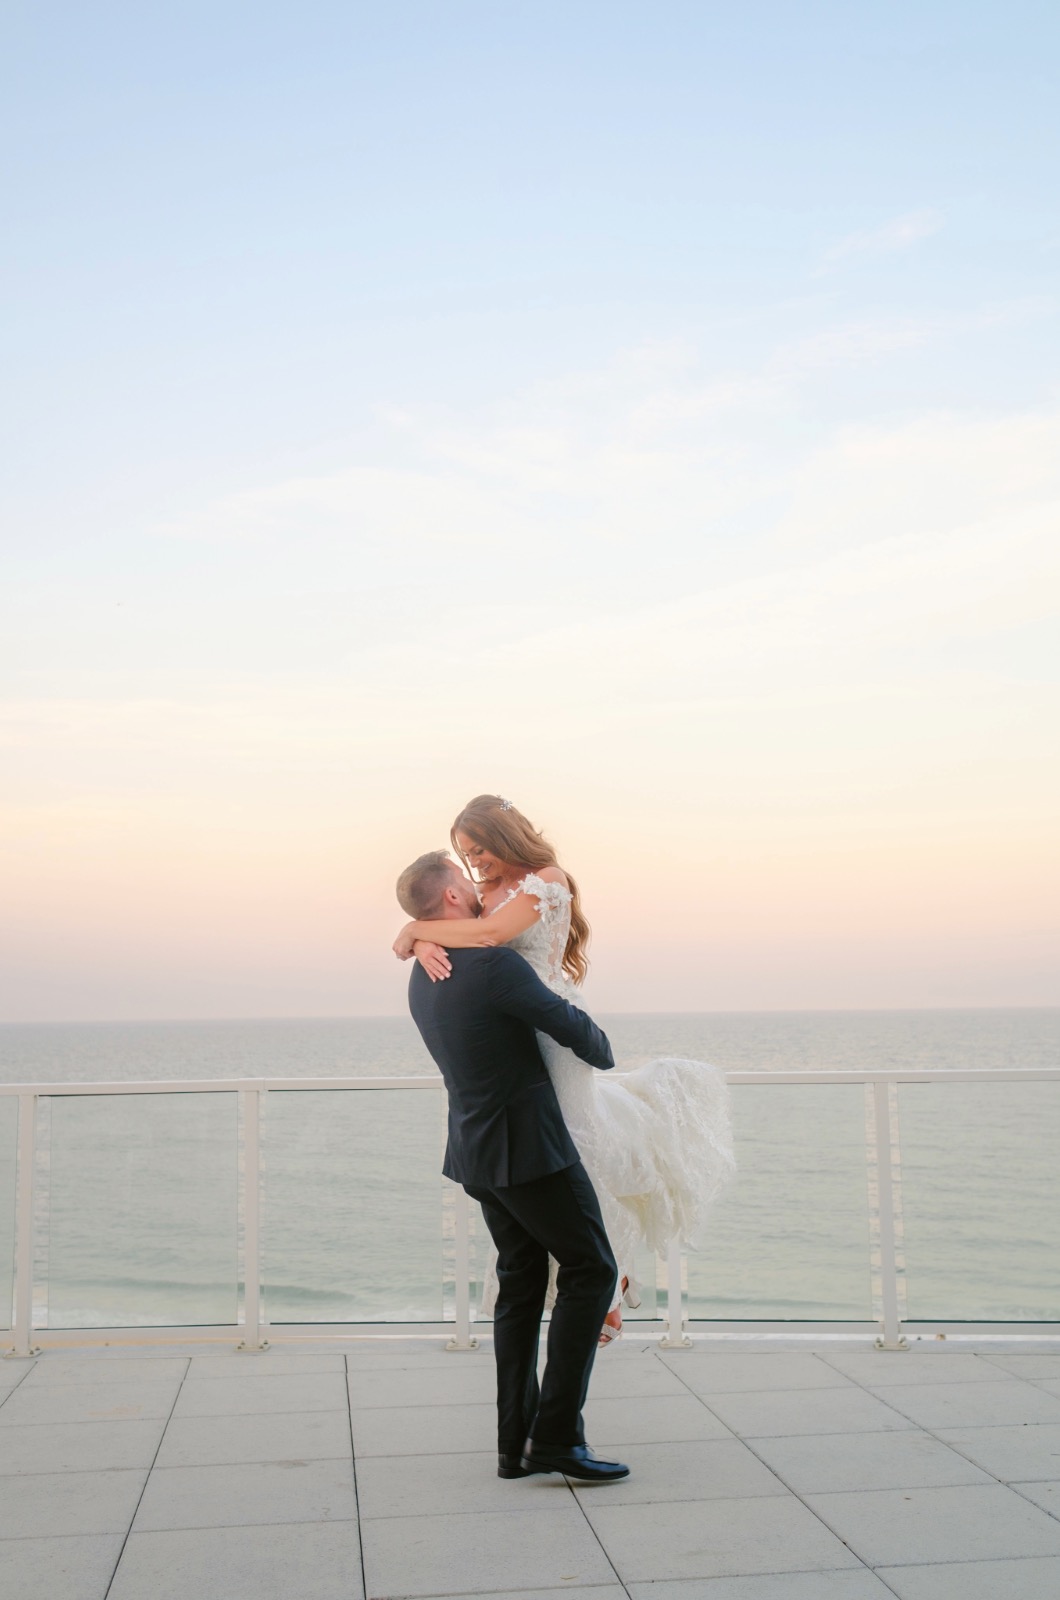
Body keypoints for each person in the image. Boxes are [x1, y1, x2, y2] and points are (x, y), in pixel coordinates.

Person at [394, 795, 736, 1344]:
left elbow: (486, 937)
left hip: (551, 1029)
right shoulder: (482, 894)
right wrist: (423, 932)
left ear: (503, 835)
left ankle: (605, 1281)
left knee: (576, 1151)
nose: (475, 861)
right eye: (465, 853)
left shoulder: (547, 879)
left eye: (479, 848)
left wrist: (415, 931)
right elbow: (466, 927)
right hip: (510, 1031)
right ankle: (591, 1283)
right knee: (539, 1168)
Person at [396, 848, 630, 1484]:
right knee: (592, 1269)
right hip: (528, 1150)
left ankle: (514, 1446)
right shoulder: (493, 964)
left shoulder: (423, 973)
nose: (476, 886)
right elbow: (570, 1029)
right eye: (462, 875)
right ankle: (556, 1436)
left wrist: (414, 936)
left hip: (475, 1154)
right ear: (449, 899)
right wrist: (602, 1049)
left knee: (522, 1284)